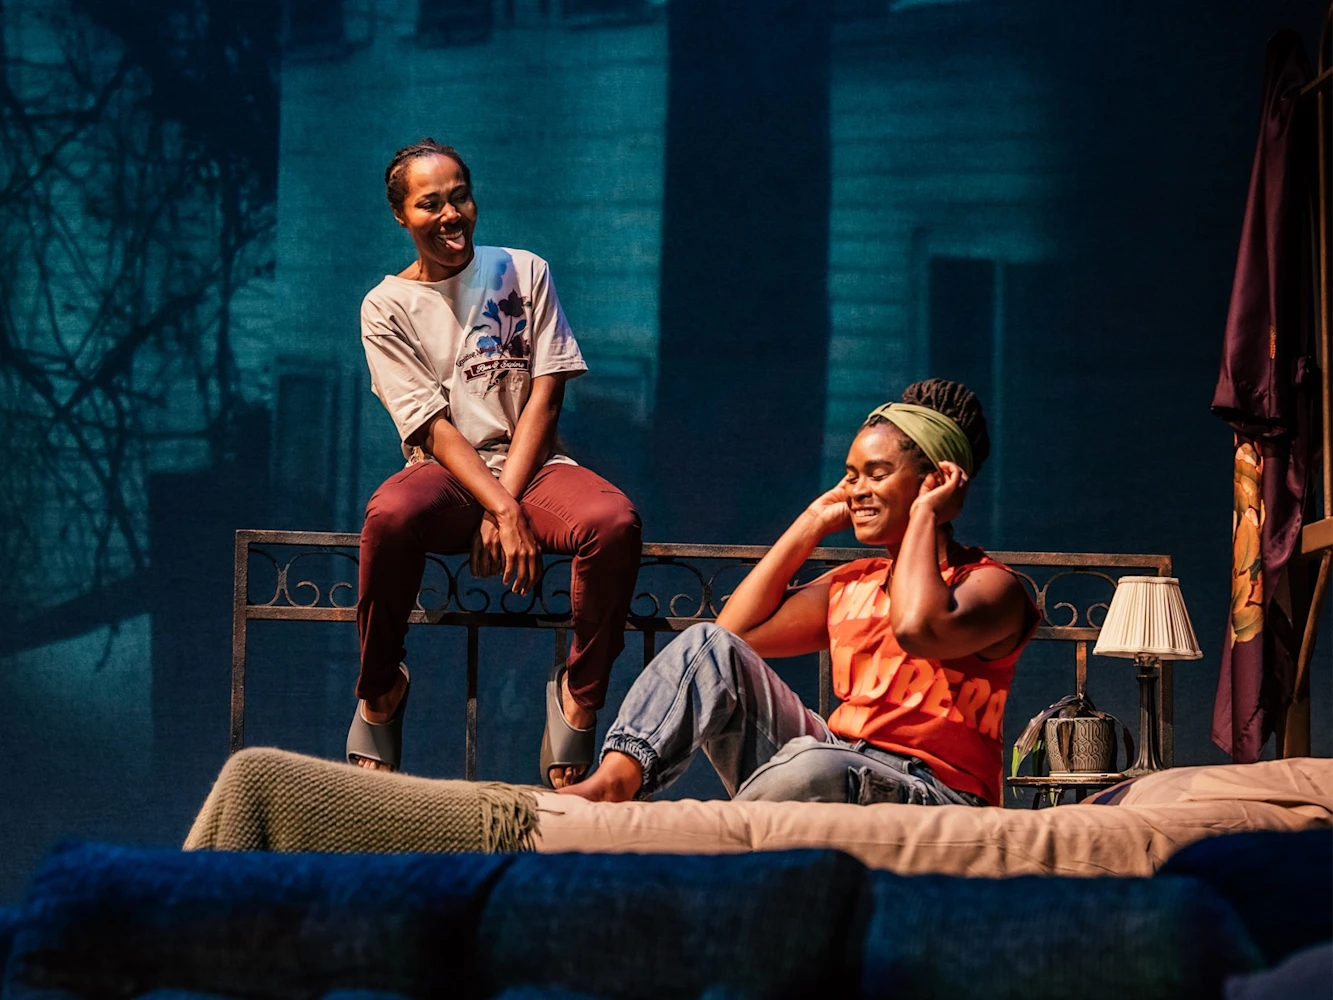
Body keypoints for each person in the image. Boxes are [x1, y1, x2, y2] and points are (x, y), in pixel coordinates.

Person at [562, 379, 1037, 807]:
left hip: (933, 790)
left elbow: (918, 628)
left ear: (936, 480)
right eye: (851, 475)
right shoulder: (855, 581)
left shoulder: (991, 586)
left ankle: (729, 834)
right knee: (708, 645)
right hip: (837, 759)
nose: (856, 491)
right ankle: (617, 780)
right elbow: (730, 637)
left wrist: (926, 515)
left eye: (876, 474)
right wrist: (811, 522)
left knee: (812, 765)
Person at [347, 139, 642, 788]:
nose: (450, 214)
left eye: (460, 197)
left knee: (613, 522)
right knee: (388, 516)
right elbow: (430, 424)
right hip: (446, 472)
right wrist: (499, 507)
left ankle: (578, 696)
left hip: (533, 466)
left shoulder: (523, 271)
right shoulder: (385, 305)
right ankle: (381, 689)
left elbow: (546, 394)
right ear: (401, 215)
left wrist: (505, 500)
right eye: (430, 203)